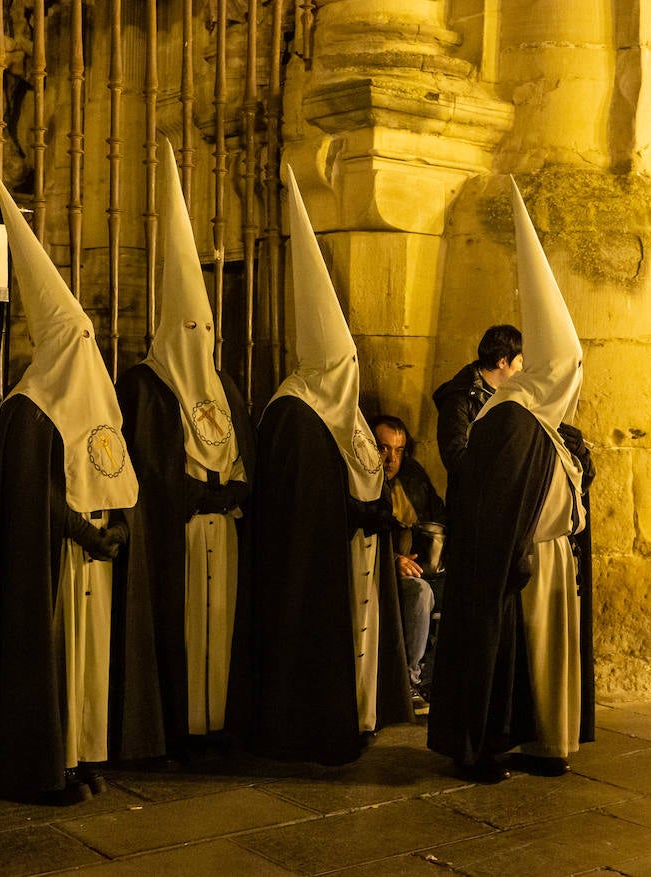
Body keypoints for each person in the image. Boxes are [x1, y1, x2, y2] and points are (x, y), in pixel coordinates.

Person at [0, 168, 164, 805]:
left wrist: (117, 529)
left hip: (94, 562)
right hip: (53, 564)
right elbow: (32, 502)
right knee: (55, 660)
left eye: (91, 337)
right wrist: (84, 529)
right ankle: (44, 762)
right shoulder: (29, 409)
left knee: (91, 664)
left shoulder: (96, 404)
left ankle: (83, 751)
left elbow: (115, 472)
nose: (87, 347)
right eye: (76, 337)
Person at [241, 167, 413, 766]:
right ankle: (318, 721)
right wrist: (351, 512)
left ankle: (362, 712)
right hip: (321, 563)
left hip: (358, 554)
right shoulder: (292, 411)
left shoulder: (346, 413)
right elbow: (295, 507)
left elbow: (368, 469)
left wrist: (373, 513)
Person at [428, 179, 596, 784]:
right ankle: (480, 747)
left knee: (539, 661)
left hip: (548, 556)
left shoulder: (540, 421)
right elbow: (491, 502)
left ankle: (541, 740)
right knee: (498, 656)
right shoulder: (508, 419)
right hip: (513, 564)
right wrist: (515, 554)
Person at [117, 140, 256, 758]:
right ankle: (177, 721)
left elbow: (244, 450)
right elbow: (141, 466)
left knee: (221, 626)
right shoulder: (144, 386)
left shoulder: (225, 384)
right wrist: (190, 492)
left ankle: (221, 718)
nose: (201, 339)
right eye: (190, 329)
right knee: (181, 624)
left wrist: (233, 491)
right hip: (173, 534)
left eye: (209, 330)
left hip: (221, 531)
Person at [368, 415, 446, 715]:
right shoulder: (365, 480)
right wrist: (391, 561)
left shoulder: (412, 476)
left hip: (421, 566)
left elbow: (437, 515)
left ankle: (438, 682)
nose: (391, 459)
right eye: (383, 449)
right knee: (418, 594)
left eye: (398, 451)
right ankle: (409, 683)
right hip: (379, 572)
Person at [432, 324, 522, 484]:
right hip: (472, 499)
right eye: (520, 360)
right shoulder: (459, 399)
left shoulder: (512, 395)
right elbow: (455, 457)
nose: (522, 368)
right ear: (502, 362)